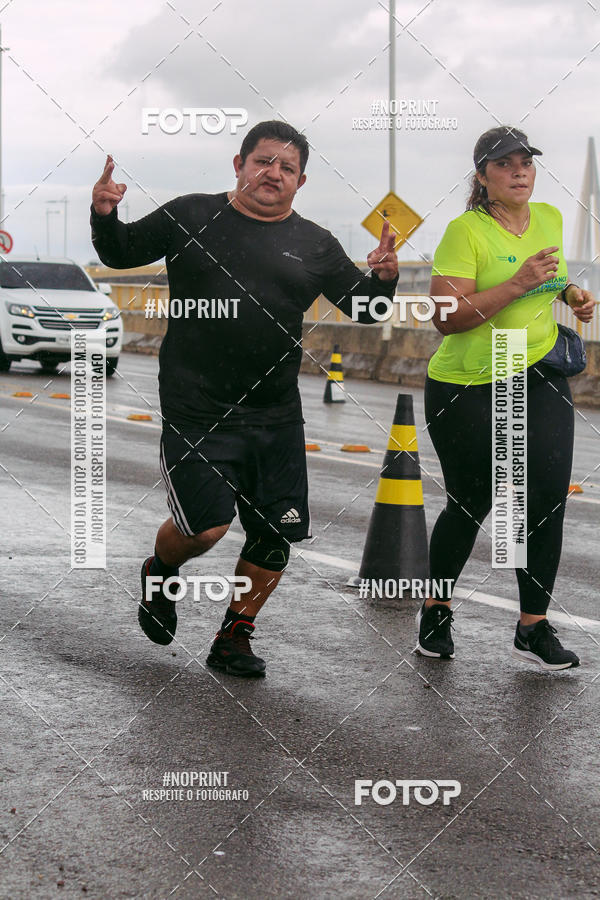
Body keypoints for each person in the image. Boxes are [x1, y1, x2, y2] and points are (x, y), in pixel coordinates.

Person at [90, 120, 398, 677]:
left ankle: (234, 636)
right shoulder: (191, 215)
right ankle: (160, 571)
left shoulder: (315, 244)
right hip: (197, 405)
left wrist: (386, 280)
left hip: (274, 411)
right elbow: (121, 252)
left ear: (300, 182)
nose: (272, 173)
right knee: (206, 526)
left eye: (286, 168)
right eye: (263, 161)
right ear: (239, 164)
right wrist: (105, 214)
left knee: (275, 530)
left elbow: (366, 311)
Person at [416, 125, 595, 670]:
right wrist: (516, 283)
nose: (519, 171)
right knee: (473, 502)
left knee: (544, 500)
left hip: (536, 369)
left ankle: (532, 626)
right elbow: (447, 319)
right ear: (482, 176)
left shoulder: (549, 218)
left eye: (526, 162)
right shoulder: (463, 232)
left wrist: (571, 293)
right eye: (504, 164)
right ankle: (437, 610)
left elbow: (553, 277)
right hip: (467, 381)